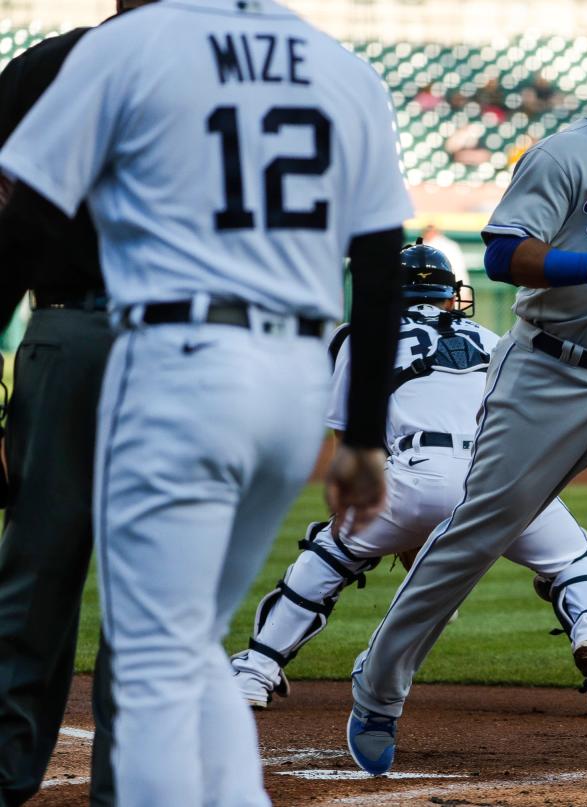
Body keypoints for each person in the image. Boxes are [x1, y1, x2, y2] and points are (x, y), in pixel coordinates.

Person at [0, 0, 412, 802]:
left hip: (169, 353)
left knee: (139, 646)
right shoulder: (339, 65)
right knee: (186, 644)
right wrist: (363, 431)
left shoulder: (127, 47)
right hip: (291, 373)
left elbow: (21, 227)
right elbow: (381, 265)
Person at [347, 21, 587, 776]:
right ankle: (377, 689)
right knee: (477, 532)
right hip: (549, 375)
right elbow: (500, 253)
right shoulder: (561, 156)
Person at [230, 240, 587, 707]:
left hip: (421, 471)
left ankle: (256, 671)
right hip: (505, 474)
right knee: (575, 562)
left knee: (329, 554)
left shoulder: (362, 335)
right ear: (452, 294)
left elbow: (352, 445)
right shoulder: (492, 339)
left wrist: (385, 522)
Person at [0, 2, 163, 799]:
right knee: (149, 585)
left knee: (33, 572)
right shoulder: (219, 75)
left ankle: (3, 772)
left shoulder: (40, 66)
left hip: (63, 333)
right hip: (178, 344)